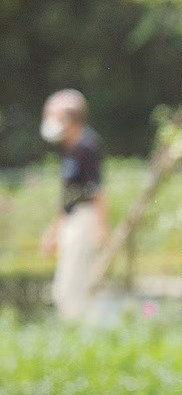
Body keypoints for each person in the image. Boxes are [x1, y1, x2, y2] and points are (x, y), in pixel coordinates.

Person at [39, 89, 107, 321]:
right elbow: (66, 197)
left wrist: (101, 227)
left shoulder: (87, 146)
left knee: (73, 283)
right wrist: (53, 232)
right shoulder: (69, 148)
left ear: (71, 118)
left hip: (85, 218)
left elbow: (97, 190)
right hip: (72, 218)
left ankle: (77, 327)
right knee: (66, 283)